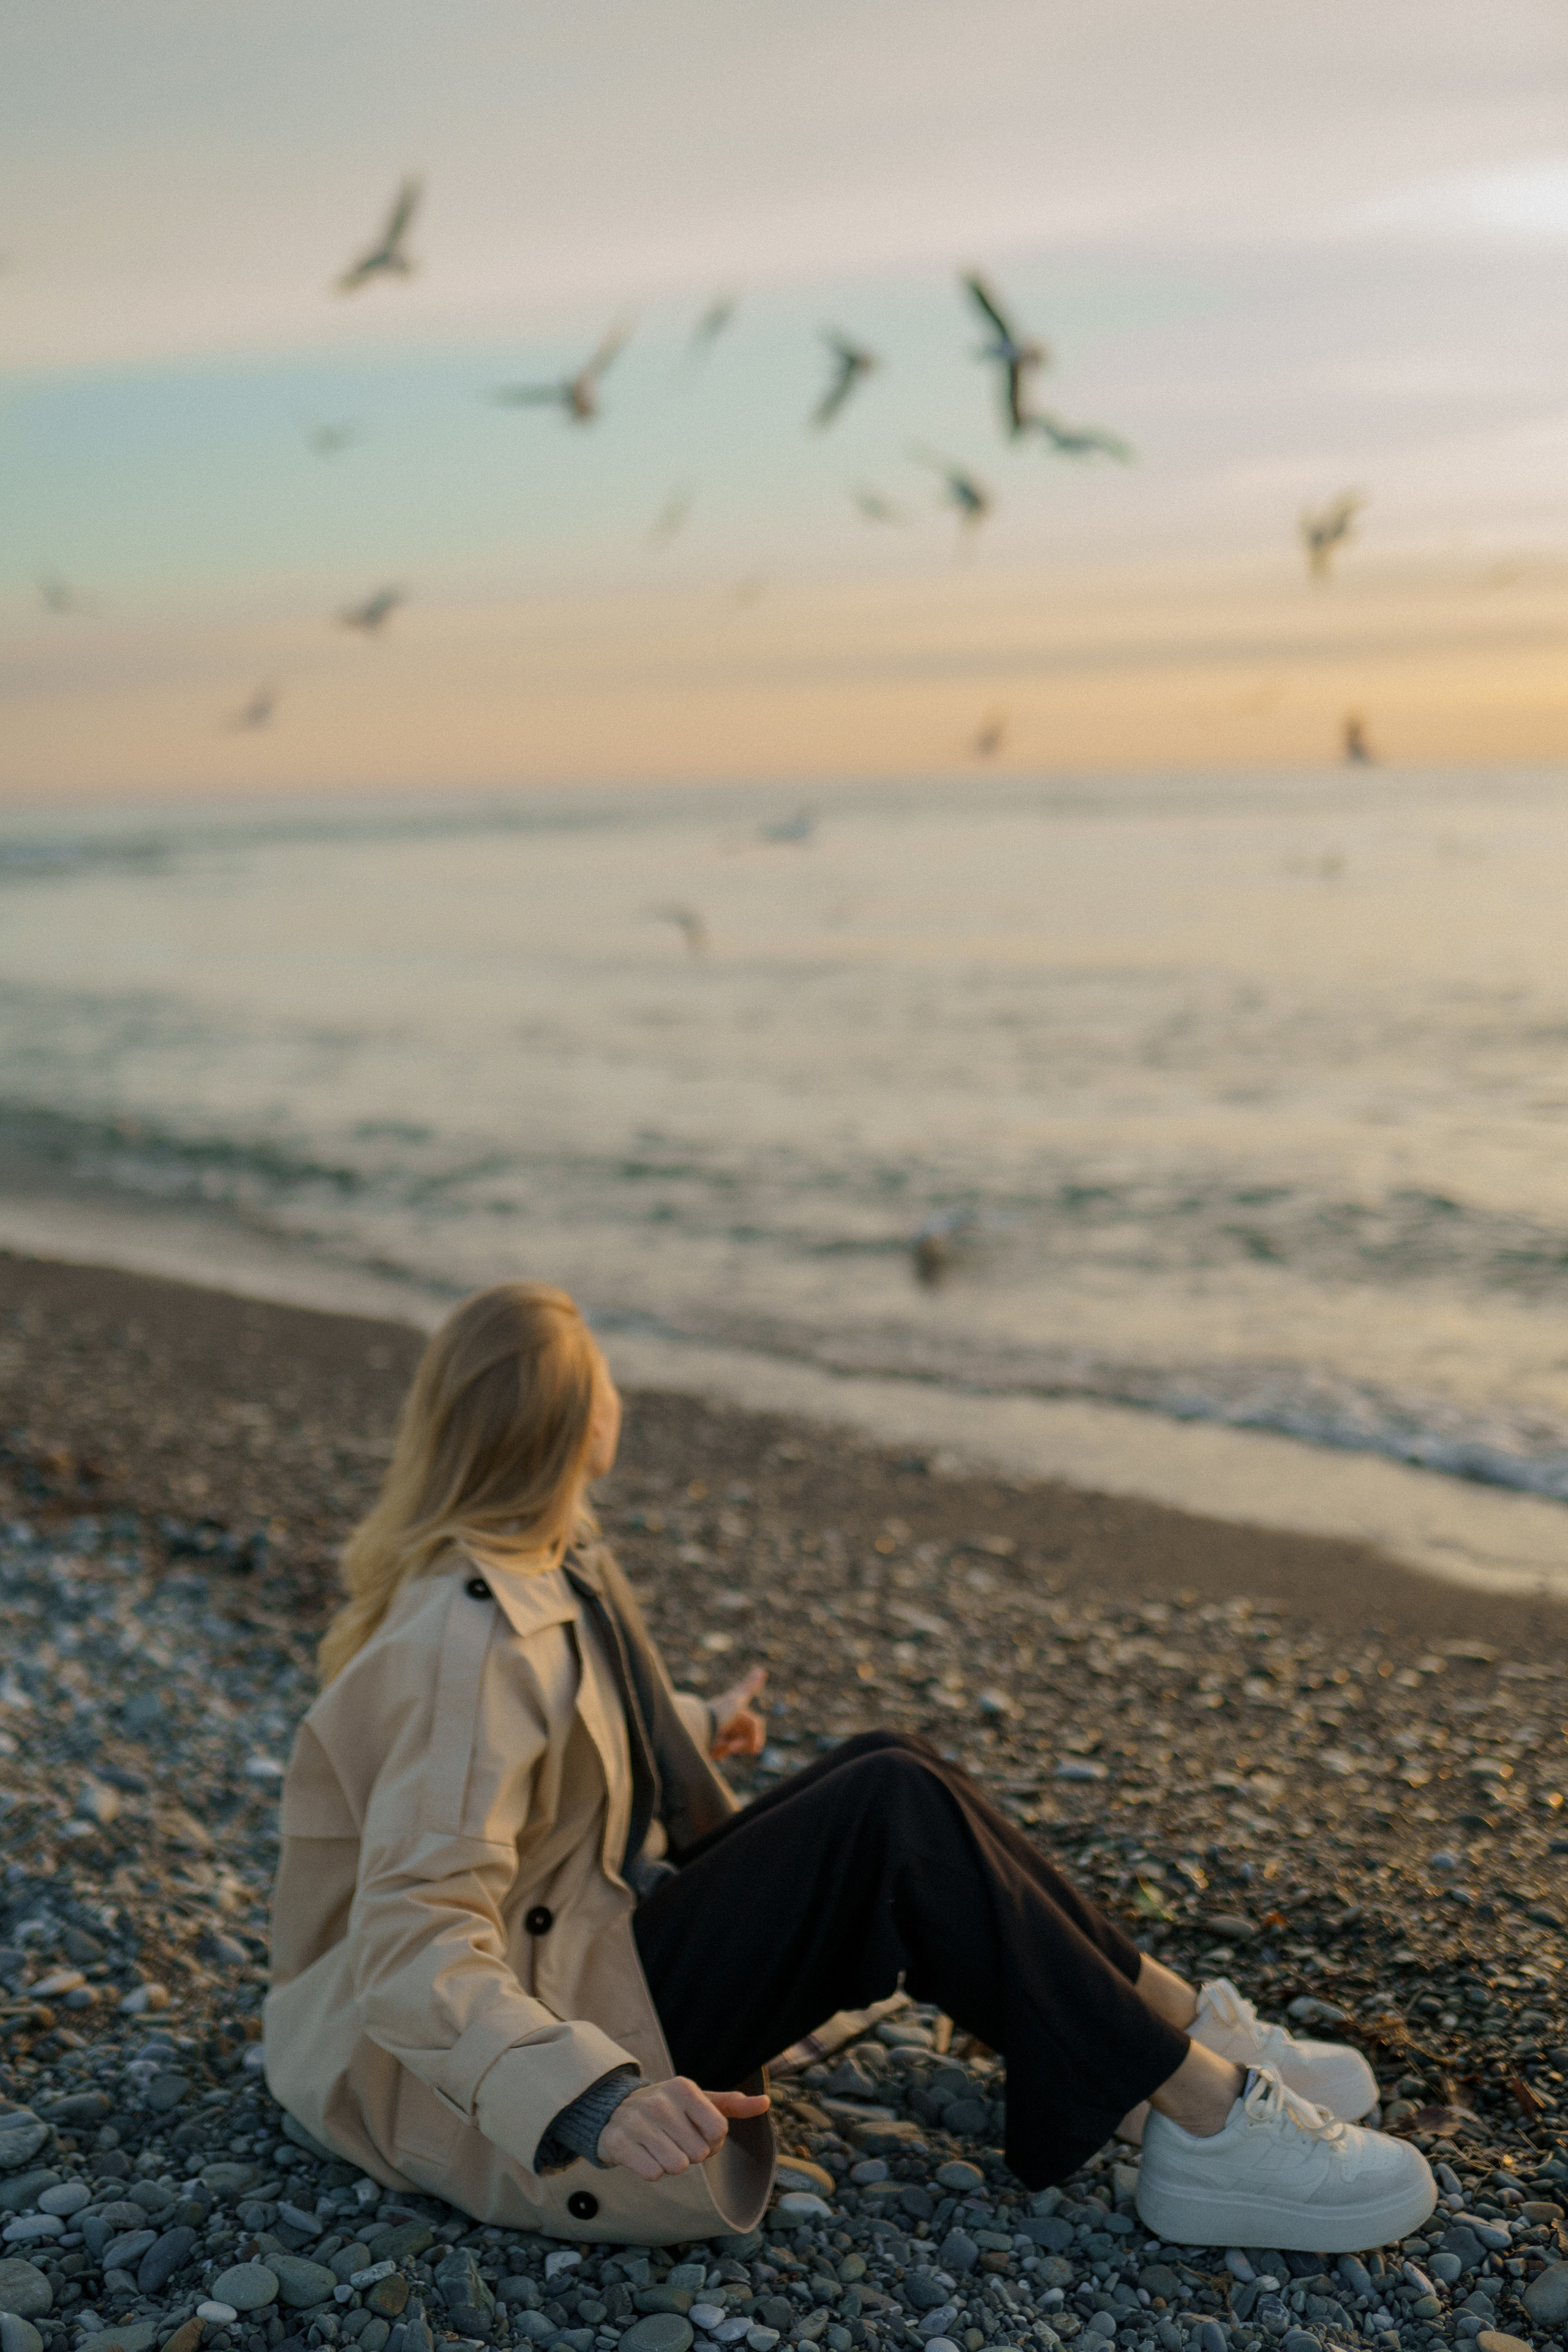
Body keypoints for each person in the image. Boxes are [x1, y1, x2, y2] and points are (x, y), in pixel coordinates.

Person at [265, 1282, 1436, 2252]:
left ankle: (1171, 2033)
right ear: (584, 1424)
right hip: (539, 2042)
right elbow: (413, 1938)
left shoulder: (543, 1562)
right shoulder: (463, 1644)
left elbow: (539, 1741)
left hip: (582, 1933)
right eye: (605, 1377)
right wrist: (591, 2096)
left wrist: (681, 1719)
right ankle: (1203, 2120)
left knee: (891, 1759)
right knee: (890, 1812)